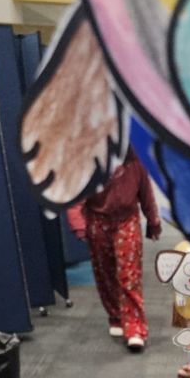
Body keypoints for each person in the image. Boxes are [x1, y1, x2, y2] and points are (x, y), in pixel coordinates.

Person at [68, 147, 161, 351]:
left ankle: (135, 327)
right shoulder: (90, 159)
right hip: (98, 221)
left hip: (127, 219)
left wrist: (153, 220)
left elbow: (146, 192)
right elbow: (76, 195)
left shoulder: (135, 160)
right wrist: (79, 225)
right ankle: (116, 315)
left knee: (129, 275)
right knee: (105, 273)